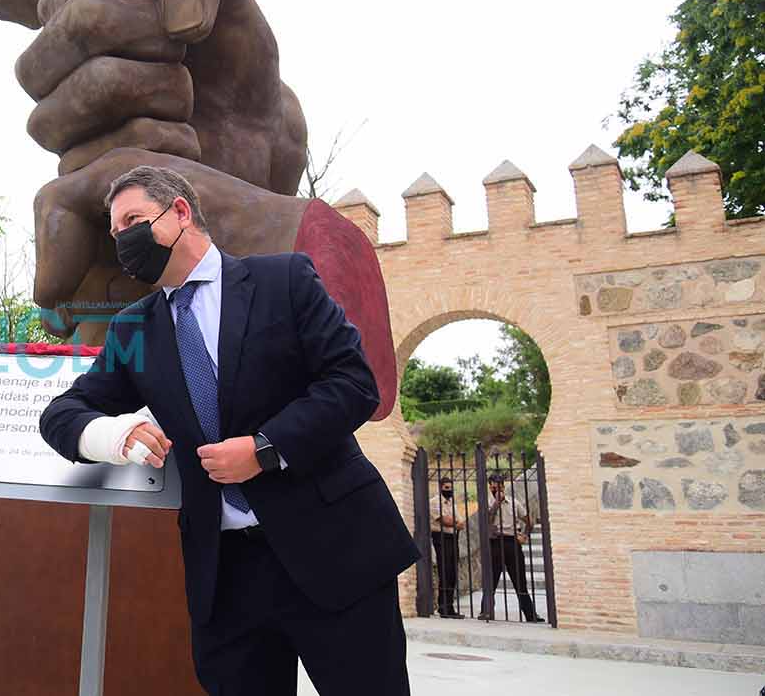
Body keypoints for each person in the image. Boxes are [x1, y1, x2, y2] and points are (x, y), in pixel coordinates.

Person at [39, 165, 419, 696]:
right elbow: (61, 414)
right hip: (226, 578)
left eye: (132, 221)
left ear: (179, 212)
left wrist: (266, 448)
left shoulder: (284, 280)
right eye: (114, 229)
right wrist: (114, 435)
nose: (121, 238)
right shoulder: (134, 329)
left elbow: (354, 383)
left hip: (334, 551)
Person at [483, 473, 544, 623]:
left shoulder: (513, 502)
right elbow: (487, 520)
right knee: (491, 580)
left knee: (520, 580)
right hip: (495, 543)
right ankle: (486, 612)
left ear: (503, 487)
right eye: (493, 487)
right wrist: (497, 503)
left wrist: (525, 535)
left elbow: (529, 520)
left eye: (498, 487)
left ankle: (530, 614)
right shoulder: (487, 503)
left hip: (512, 542)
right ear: (489, 487)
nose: (496, 490)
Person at [430, 477, 464, 618]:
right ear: (440, 487)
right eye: (446, 488)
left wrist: (455, 522)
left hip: (452, 538)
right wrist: (455, 522)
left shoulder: (451, 504)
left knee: (452, 573)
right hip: (440, 537)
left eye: (450, 488)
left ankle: (449, 607)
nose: (449, 490)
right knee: (445, 571)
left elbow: (461, 521)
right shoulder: (434, 502)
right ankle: (443, 607)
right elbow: (443, 520)